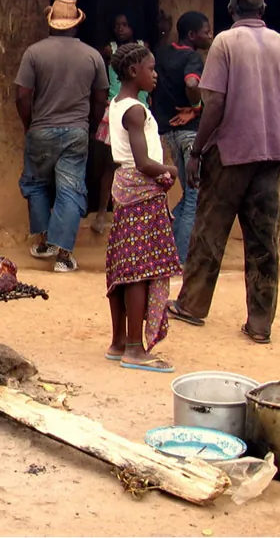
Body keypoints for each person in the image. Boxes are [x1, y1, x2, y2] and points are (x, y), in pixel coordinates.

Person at [168, 0, 280, 344]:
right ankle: (260, 323)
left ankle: (192, 306)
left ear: (232, 8)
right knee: (263, 239)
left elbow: (215, 103)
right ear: (263, 8)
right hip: (271, 153)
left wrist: (198, 151)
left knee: (210, 230)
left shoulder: (224, 43)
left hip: (230, 151)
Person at [15, 0, 108, 273]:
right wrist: (89, 126)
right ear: (77, 24)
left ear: (51, 23)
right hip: (76, 131)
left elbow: (22, 95)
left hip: (41, 128)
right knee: (70, 189)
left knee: (37, 185)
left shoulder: (33, 53)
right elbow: (100, 99)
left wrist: (28, 124)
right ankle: (64, 257)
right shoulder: (93, 56)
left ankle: (44, 244)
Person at [104, 43, 181, 372]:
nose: (155, 74)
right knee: (140, 270)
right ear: (134, 71)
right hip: (140, 192)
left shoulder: (117, 104)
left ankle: (118, 341)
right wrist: (172, 171)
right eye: (151, 68)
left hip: (126, 189)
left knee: (124, 266)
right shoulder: (135, 110)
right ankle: (134, 348)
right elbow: (143, 161)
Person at [151, 11, 212, 264]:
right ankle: (180, 259)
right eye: (206, 32)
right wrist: (197, 107)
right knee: (194, 199)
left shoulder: (162, 53)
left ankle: (160, 239)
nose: (210, 36)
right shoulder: (193, 57)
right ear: (191, 35)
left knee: (188, 194)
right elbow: (191, 83)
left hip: (169, 133)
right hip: (190, 134)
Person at [92, 13, 148, 233]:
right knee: (111, 165)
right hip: (114, 111)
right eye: (117, 26)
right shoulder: (109, 49)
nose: (121, 29)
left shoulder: (144, 47)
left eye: (125, 25)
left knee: (139, 164)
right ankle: (101, 212)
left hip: (139, 110)